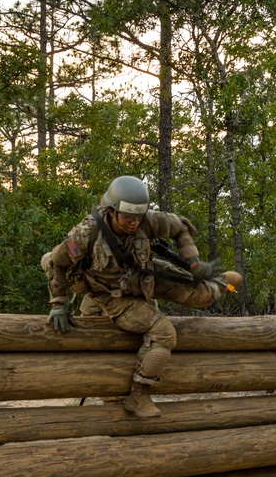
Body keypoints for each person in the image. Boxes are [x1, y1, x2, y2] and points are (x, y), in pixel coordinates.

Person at [44, 175, 241, 419]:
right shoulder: (85, 234)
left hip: (144, 275)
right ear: (111, 211)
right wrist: (59, 304)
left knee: (201, 294)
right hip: (110, 294)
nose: (133, 223)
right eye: (127, 217)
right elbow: (56, 264)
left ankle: (218, 285)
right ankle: (138, 395)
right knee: (163, 331)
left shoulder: (148, 220)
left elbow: (180, 227)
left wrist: (193, 262)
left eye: (138, 217)